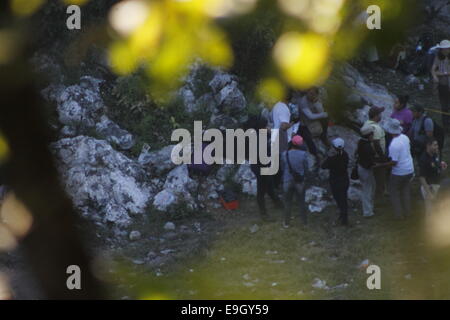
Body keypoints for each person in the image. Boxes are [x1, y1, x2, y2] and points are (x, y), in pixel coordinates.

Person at [385, 118, 415, 219]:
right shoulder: (405, 137)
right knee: (406, 190)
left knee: (394, 192)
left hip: (399, 172)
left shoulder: (393, 145)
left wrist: (385, 165)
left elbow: (394, 162)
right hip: (409, 169)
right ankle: (408, 212)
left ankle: (399, 215)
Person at [281, 135, 309, 228]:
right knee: (301, 202)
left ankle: (286, 223)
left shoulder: (285, 154)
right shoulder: (303, 155)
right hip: (299, 181)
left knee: (288, 202)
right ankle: (304, 223)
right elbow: (306, 169)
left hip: (287, 181)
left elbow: (282, 167)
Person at [321, 138, 350, 226]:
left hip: (335, 180)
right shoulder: (345, 155)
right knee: (343, 198)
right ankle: (343, 216)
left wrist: (329, 156)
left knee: (338, 198)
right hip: (344, 179)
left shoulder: (332, 158)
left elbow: (323, 166)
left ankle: (343, 217)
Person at [418, 137, 448, 216]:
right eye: (435, 145)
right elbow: (422, 178)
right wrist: (429, 193)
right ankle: (430, 226)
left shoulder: (434, 154)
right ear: (428, 145)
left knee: (438, 208)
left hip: (437, 185)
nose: (437, 147)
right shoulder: (423, 159)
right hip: (430, 187)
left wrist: (441, 164)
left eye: (437, 145)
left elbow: (436, 163)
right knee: (430, 212)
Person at [364, 106, 387, 200]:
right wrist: (382, 157)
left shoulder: (366, 124)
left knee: (374, 179)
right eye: (380, 114)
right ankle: (378, 199)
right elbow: (376, 143)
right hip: (377, 156)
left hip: (370, 156)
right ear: (376, 116)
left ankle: (375, 197)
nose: (381, 115)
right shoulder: (376, 128)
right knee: (379, 179)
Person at [356, 125, 378, 218]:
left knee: (370, 188)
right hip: (366, 169)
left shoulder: (361, 142)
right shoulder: (367, 146)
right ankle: (367, 212)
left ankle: (370, 209)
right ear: (369, 135)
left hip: (362, 167)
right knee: (367, 190)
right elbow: (371, 160)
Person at [431, 39, 450, 128]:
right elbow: (433, 70)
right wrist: (438, 75)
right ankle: (446, 125)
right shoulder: (438, 58)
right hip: (443, 85)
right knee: (444, 105)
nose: (446, 51)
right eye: (445, 49)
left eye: (447, 49)